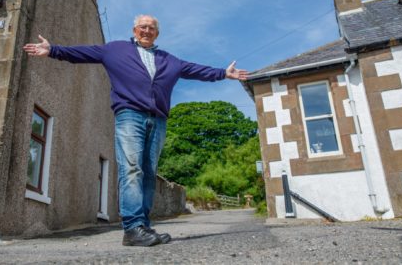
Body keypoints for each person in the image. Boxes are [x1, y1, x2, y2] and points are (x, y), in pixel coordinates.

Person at [23, 14, 248, 247]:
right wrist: (53, 50)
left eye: (151, 28)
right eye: (143, 27)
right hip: (130, 114)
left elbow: (195, 70)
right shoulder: (115, 50)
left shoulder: (169, 59)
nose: (147, 30)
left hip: (158, 119)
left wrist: (223, 73)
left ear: (157, 33)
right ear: (134, 30)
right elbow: (83, 53)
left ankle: (143, 226)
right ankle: (132, 228)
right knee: (132, 168)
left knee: (149, 173)